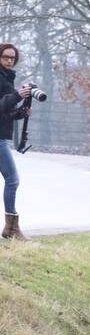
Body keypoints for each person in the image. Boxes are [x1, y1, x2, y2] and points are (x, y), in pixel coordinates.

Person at [0, 42, 31, 240]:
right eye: (6, 57)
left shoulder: (7, 77)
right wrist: (18, 95)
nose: (10, 60)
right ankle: (11, 229)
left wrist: (21, 113)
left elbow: (5, 112)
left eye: (12, 58)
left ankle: (10, 228)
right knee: (12, 180)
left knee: (11, 180)